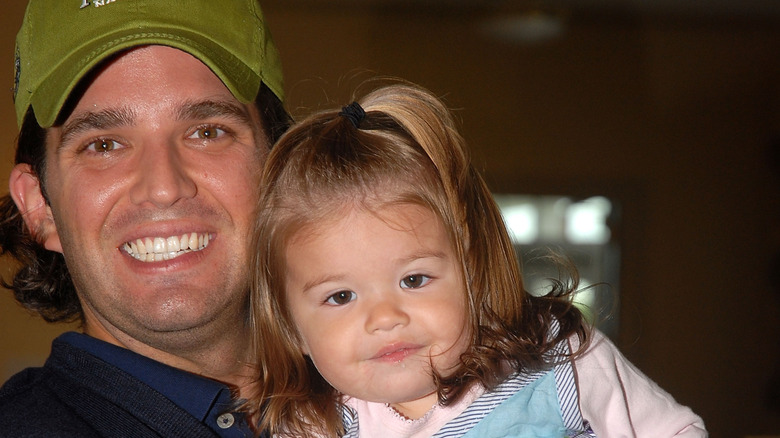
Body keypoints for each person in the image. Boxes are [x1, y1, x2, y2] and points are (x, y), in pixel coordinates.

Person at [247, 82, 708, 437]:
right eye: (340, 295)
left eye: (414, 279)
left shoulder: (558, 363)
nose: (385, 318)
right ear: (291, 326)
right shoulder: (313, 427)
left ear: (470, 270)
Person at [0, 0, 291, 436]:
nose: (163, 187)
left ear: (286, 168)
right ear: (40, 207)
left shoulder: (407, 399)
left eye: (207, 132)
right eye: (104, 145)